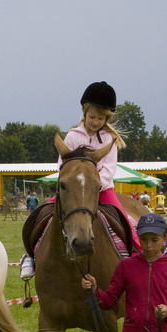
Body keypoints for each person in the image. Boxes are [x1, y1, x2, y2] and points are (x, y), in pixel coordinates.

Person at [21, 81, 137, 280]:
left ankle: (137, 254)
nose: (95, 121)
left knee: (126, 222)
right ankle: (30, 256)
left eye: (101, 118)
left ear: (106, 117)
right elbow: (62, 166)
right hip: (73, 190)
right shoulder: (73, 137)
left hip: (102, 190)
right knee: (40, 217)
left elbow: (110, 168)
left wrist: (94, 184)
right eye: (92, 116)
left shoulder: (110, 139)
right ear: (85, 113)